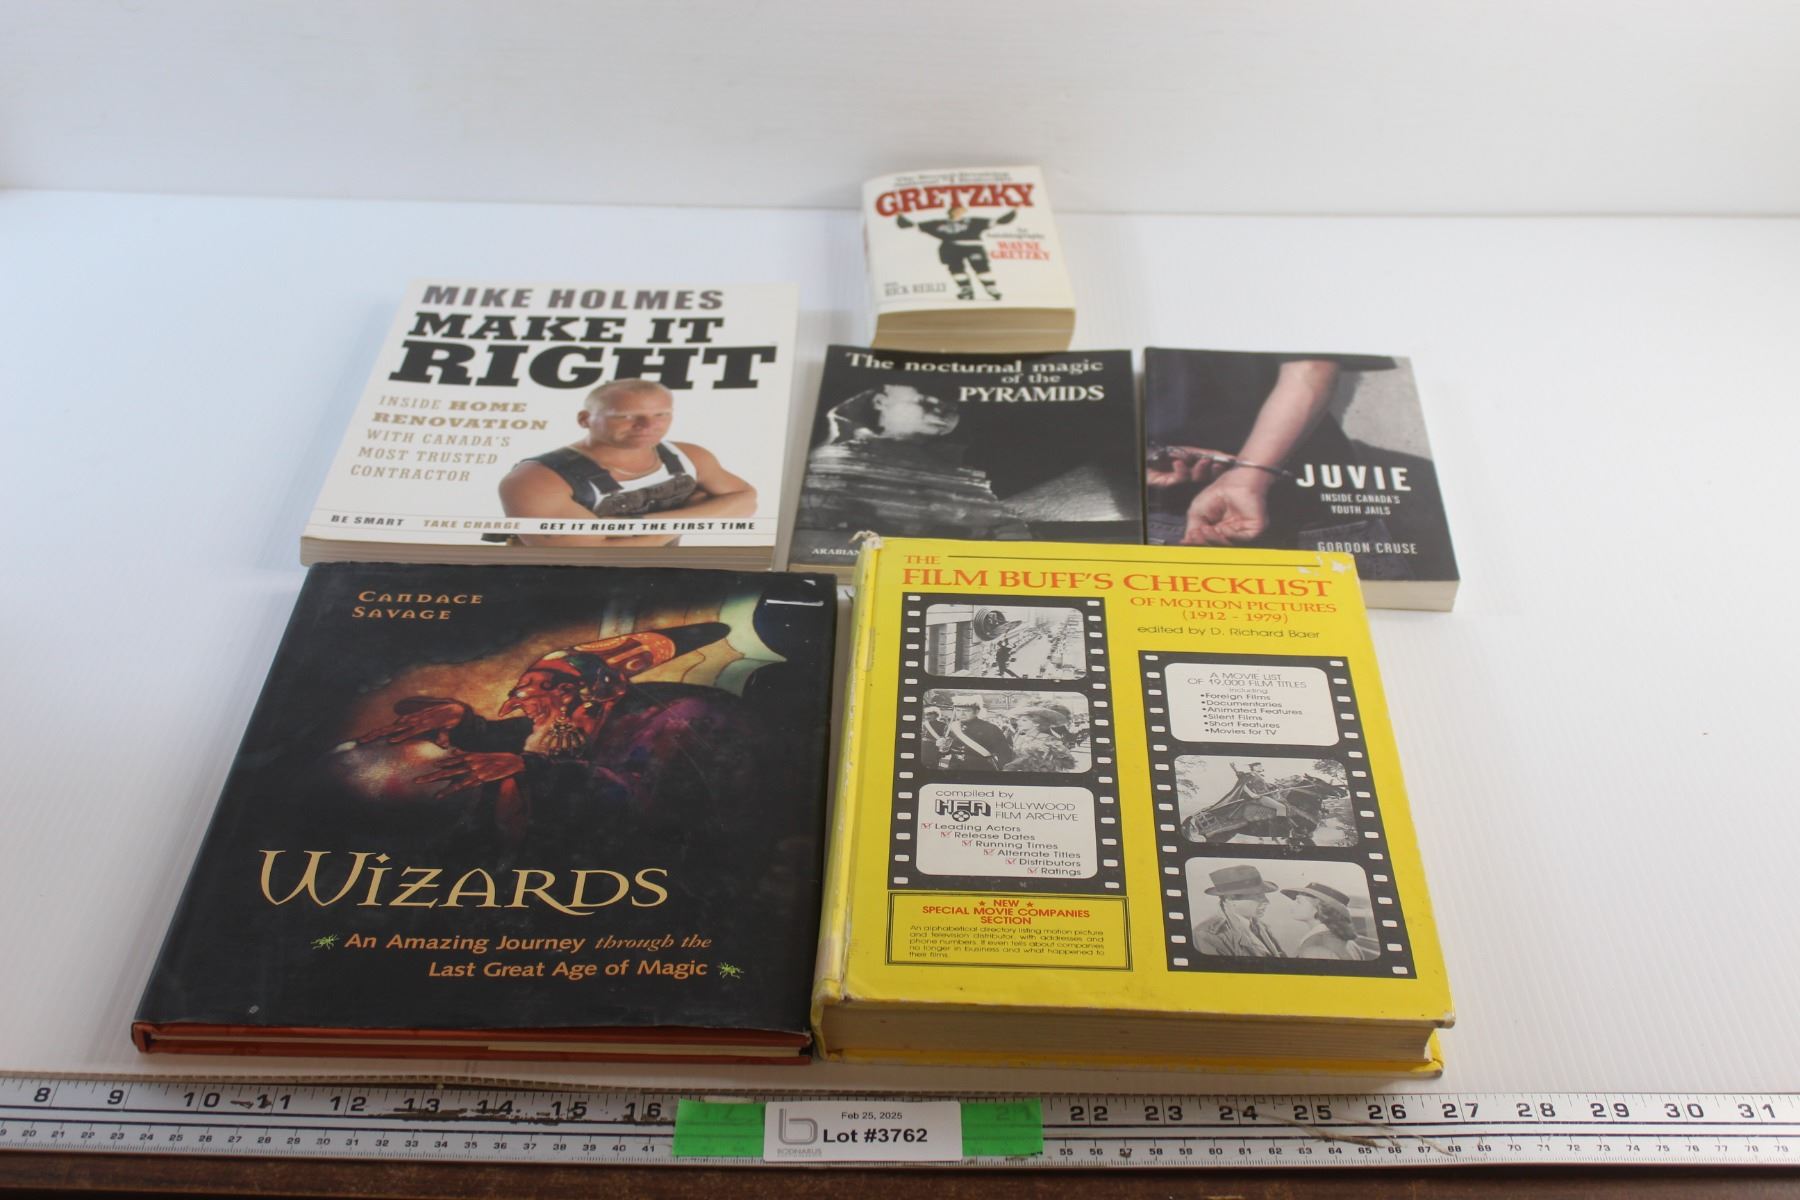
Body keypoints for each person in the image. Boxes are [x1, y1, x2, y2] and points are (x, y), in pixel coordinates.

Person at [349, 625, 757, 850]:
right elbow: (521, 741)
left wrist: (534, 771)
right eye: (525, 690)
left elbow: (646, 806)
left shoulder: (682, 720)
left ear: (603, 690)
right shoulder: (578, 720)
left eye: (548, 687)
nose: (526, 701)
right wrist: (463, 723)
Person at [498, 378, 755, 547]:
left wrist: (633, 529)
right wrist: (695, 513)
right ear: (585, 419)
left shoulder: (690, 456)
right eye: (626, 416)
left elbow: (747, 502)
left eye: (661, 414)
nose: (647, 425)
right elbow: (586, 556)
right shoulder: (536, 479)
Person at [895, 204, 1016, 300]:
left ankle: (990, 287)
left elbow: (1001, 221)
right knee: (956, 269)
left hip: (973, 247)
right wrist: (899, 215)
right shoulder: (938, 223)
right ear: (951, 211)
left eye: (961, 210)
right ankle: (966, 289)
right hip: (951, 247)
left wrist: (1014, 210)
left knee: (981, 267)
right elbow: (908, 225)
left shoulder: (974, 221)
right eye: (956, 209)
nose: (959, 212)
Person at [1190, 865, 1286, 957]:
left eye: (1263, 895)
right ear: (1230, 899)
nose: (1266, 901)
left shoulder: (1262, 927)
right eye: (1257, 896)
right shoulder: (1208, 935)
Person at [1281, 883, 1377, 961]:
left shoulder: (1315, 947)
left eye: (1298, 901)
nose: (1292, 905)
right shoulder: (1351, 944)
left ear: (1318, 908)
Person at [934, 696, 1013, 771]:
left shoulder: (990, 728)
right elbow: (945, 751)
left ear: (977, 712)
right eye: (958, 710)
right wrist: (942, 747)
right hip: (955, 767)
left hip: (981, 767)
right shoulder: (951, 727)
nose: (962, 714)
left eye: (967, 711)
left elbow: (1004, 753)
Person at [1003, 707, 1077, 773]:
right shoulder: (1019, 738)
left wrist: (1048, 762)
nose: (1018, 722)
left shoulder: (1048, 739)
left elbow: (1070, 763)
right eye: (1019, 720)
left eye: (1024, 720)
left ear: (1036, 724)